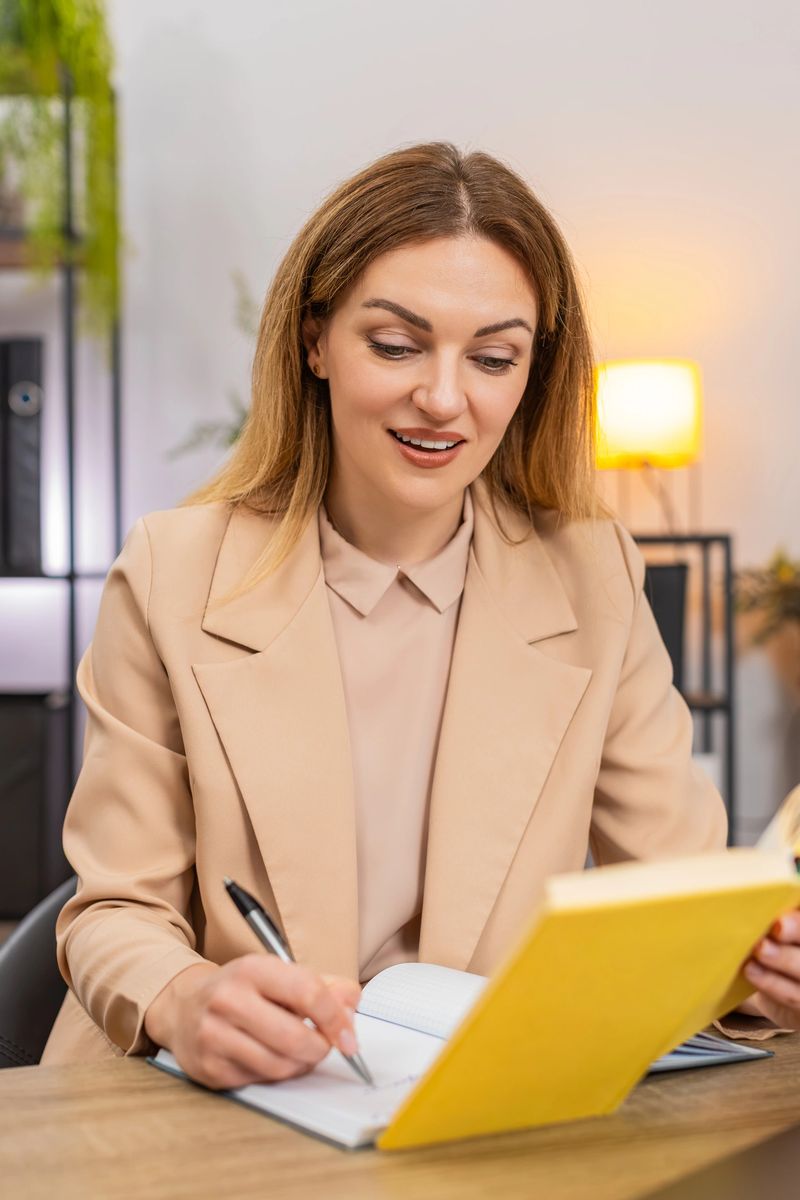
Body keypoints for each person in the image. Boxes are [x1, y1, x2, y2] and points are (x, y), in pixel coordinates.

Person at [39, 141, 797, 1087]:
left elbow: (683, 898)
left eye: (493, 358)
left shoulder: (593, 577)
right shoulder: (174, 572)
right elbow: (113, 911)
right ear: (315, 341)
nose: (443, 399)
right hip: (208, 1106)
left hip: (470, 1107)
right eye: (396, 346)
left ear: (532, 373)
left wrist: (764, 968)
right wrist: (185, 998)